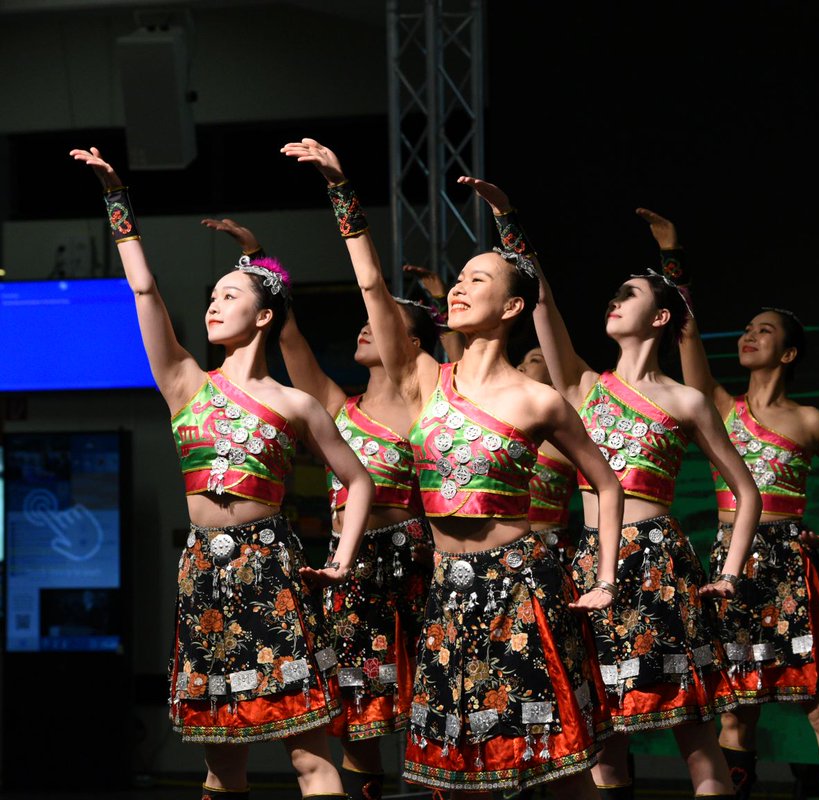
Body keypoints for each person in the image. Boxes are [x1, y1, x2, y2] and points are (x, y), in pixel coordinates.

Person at [281, 138, 624, 797]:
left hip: (523, 589)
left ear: (513, 307)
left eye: (479, 281)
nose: (461, 287)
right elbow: (374, 286)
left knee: (556, 762)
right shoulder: (425, 379)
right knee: (455, 764)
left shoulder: (539, 400)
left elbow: (604, 484)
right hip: (446, 594)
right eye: (459, 279)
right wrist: (339, 190)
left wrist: (605, 578)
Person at [71, 146, 375, 800]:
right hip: (204, 573)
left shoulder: (295, 404)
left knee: (308, 761)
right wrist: (117, 201)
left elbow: (359, 481)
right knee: (221, 766)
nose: (214, 305)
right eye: (211, 295)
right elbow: (145, 289)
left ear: (264, 316)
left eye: (230, 295)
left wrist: (344, 556)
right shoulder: (184, 382)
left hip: (273, 571)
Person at [463, 177, 763, 799]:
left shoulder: (687, 400)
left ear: (658, 316)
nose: (613, 301)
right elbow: (540, 304)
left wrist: (730, 571)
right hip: (593, 559)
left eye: (629, 295)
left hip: (659, 561)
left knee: (693, 730)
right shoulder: (582, 384)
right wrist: (508, 223)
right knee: (602, 730)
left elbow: (745, 489)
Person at [639, 206, 819, 800]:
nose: (749, 336)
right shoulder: (720, 405)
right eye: (747, 328)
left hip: (789, 566)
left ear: (790, 354)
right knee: (735, 713)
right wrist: (675, 263)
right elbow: (686, 334)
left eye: (764, 330)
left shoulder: (808, 420)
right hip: (731, 562)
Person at [201, 217, 444, 800]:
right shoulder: (337, 404)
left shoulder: (425, 402)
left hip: (407, 564)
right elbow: (287, 338)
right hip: (346, 565)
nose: (365, 330)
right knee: (356, 702)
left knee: (428, 697)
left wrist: (435, 304)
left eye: (380, 325)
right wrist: (260, 261)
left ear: (411, 343)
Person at [519, 347, 582, 565]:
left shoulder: (571, 435)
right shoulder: (500, 426)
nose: (521, 366)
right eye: (522, 361)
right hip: (501, 554)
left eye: (535, 360)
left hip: (553, 557)